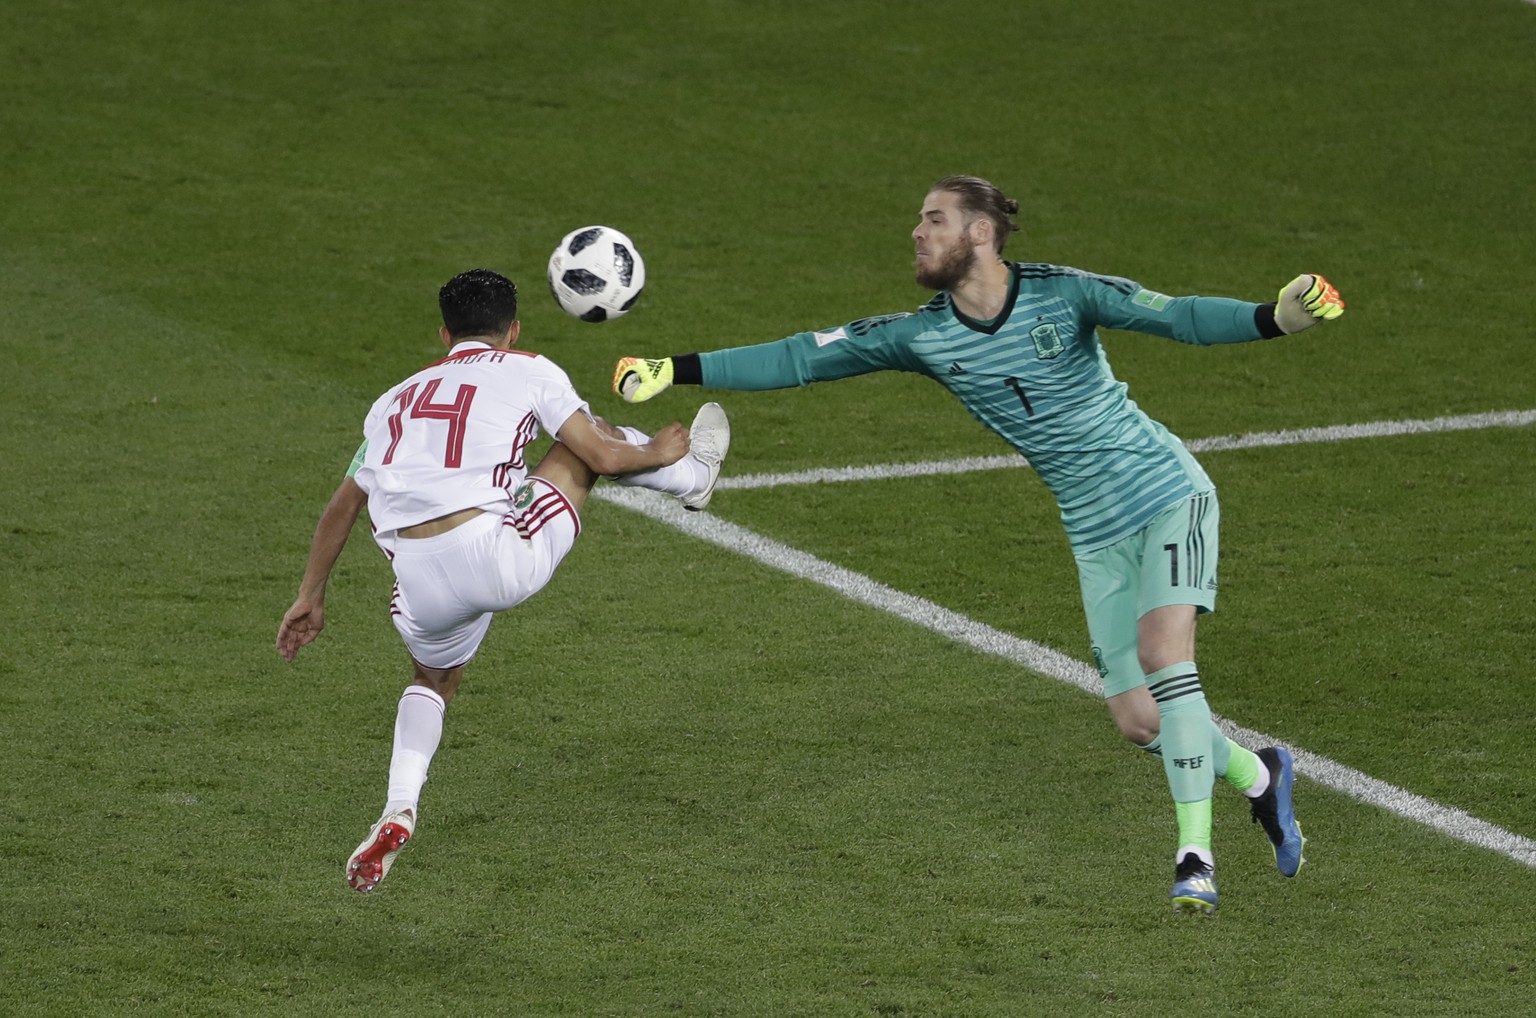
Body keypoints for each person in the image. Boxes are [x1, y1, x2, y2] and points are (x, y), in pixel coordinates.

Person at [609, 176, 1344, 913]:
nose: (917, 233)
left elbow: (1177, 316)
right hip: (1093, 534)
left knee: (1163, 656)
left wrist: (1273, 318)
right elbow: (805, 355)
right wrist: (674, 367)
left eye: (934, 220)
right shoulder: (923, 334)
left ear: (981, 233)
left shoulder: (1066, 295)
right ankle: (1262, 776)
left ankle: (1194, 857)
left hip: (1164, 496)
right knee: (1139, 719)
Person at [277, 268, 731, 893]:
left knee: (433, 679)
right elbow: (599, 457)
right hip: (495, 555)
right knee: (581, 440)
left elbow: (341, 506)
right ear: (514, 330)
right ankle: (694, 477)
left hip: (415, 580)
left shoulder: (391, 401)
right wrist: (657, 450)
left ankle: (398, 807)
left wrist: (310, 595)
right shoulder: (529, 367)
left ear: (444, 333)